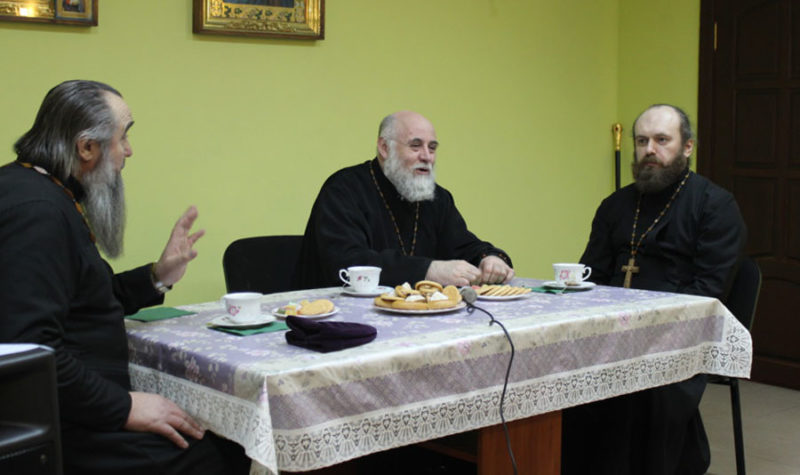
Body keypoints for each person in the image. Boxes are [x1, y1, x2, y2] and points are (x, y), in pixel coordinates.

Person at [0, 80, 250, 475]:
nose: (129, 150)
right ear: (87, 147)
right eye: (124, 135)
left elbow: (85, 301)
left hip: (75, 403)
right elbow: (31, 351)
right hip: (64, 423)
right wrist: (125, 407)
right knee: (222, 451)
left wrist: (158, 275)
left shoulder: (41, 188)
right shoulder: (37, 211)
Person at [562, 104, 747, 475]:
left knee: (636, 395)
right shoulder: (616, 205)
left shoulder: (714, 205)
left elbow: (708, 292)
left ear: (687, 147)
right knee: (562, 378)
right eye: (642, 141)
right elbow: (593, 274)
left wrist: (645, 329)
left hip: (679, 338)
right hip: (611, 332)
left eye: (662, 140)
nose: (650, 149)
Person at [295, 110, 514, 289]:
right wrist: (428, 271)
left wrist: (490, 259)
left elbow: (463, 246)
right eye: (415, 146)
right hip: (336, 317)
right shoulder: (343, 189)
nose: (426, 156)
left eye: (432, 148)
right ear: (384, 148)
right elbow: (348, 262)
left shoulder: (437, 198)